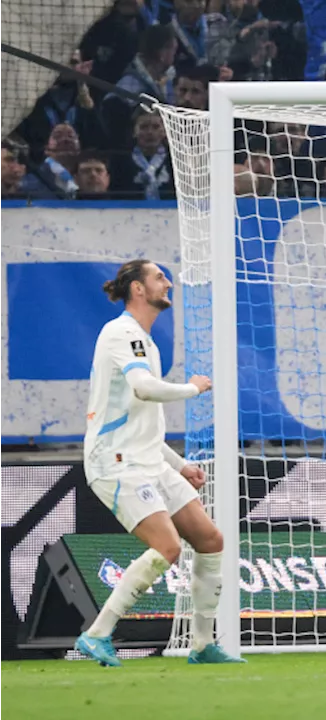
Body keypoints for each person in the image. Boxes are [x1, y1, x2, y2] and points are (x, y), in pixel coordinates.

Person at [76, 260, 244, 667]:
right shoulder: (121, 333)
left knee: (210, 540)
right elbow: (145, 390)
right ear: (137, 289)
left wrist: (180, 463)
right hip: (116, 463)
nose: (167, 283)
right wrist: (193, 388)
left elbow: (144, 419)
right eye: (158, 277)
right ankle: (96, 634)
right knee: (167, 547)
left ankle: (202, 645)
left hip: (149, 459)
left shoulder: (146, 342)